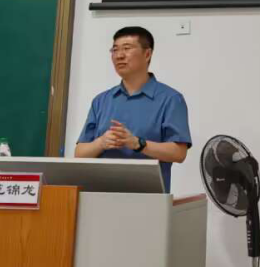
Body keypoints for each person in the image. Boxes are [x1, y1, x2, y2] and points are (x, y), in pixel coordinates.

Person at [74, 26, 191, 192]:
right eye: (115, 50)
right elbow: (80, 153)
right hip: (99, 195)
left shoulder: (170, 99)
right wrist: (101, 143)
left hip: (149, 198)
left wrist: (138, 143)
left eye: (127, 48)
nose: (119, 55)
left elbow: (179, 153)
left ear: (147, 54)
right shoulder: (101, 100)